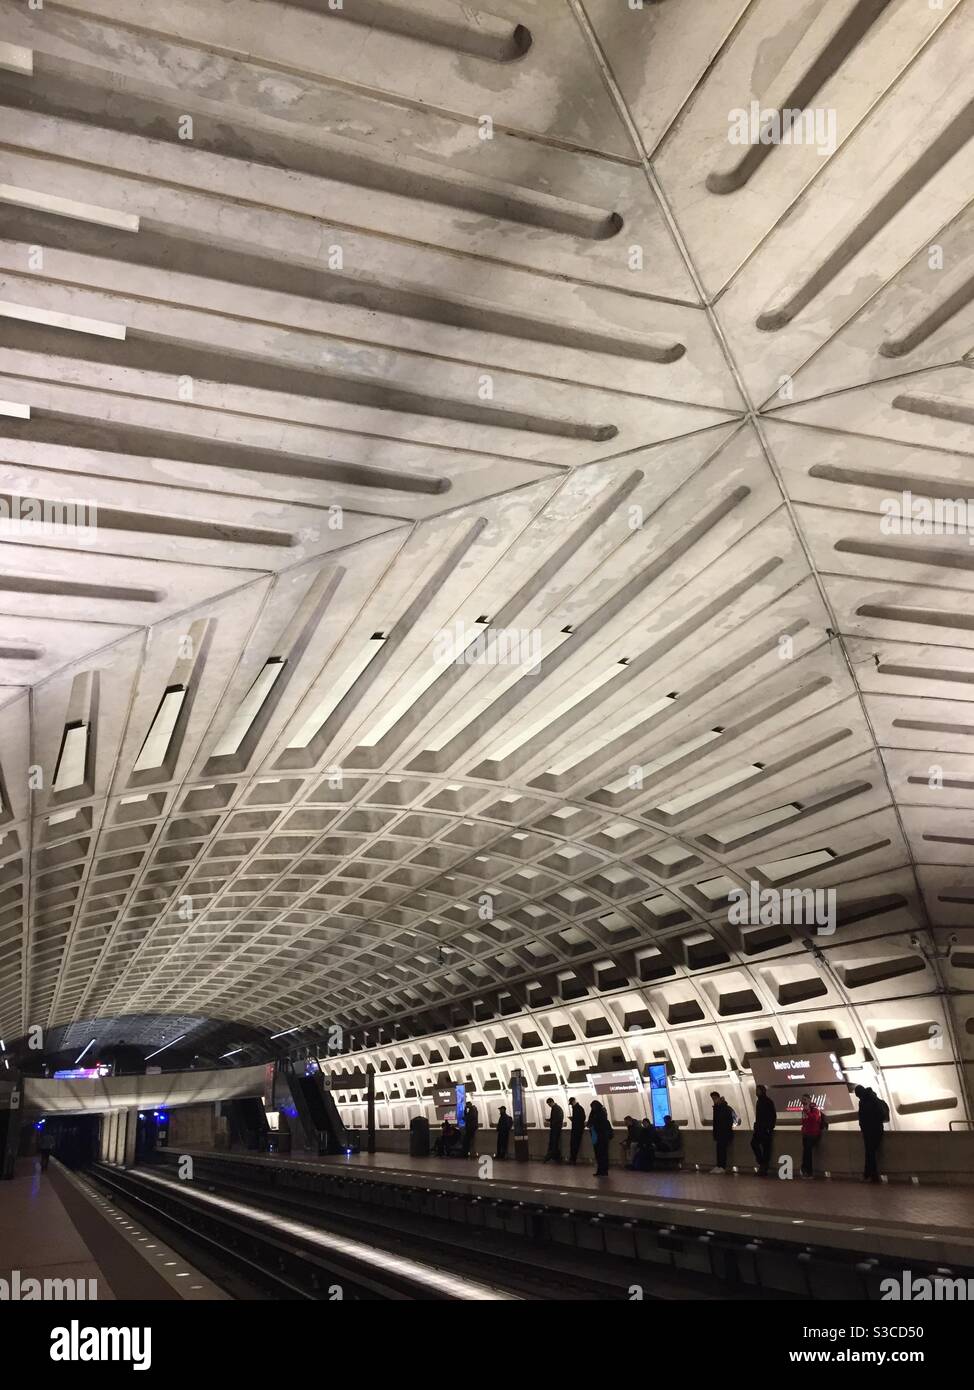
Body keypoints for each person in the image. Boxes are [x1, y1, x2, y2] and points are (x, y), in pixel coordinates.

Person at [855, 1085, 887, 1183]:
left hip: (870, 1131)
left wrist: (864, 1127)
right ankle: (870, 1175)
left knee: (870, 1153)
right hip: (877, 1129)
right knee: (870, 1153)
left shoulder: (864, 1102)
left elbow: (863, 1117)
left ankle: (871, 1176)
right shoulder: (874, 1098)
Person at [751, 1084, 777, 1176]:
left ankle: (763, 1167)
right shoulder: (759, 1102)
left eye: (758, 1090)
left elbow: (773, 1116)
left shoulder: (768, 1102)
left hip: (765, 1129)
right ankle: (762, 1164)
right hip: (759, 1128)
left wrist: (769, 1128)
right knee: (755, 1144)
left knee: (766, 1148)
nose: (756, 1092)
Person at [799, 1093, 824, 1178]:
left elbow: (815, 1119)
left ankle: (808, 1171)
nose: (803, 1102)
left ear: (809, 1100)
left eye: (805, 1100)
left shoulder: (815, 1110)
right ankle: (805, 1170)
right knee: (805, 1152)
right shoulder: (803, 1111)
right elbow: (804, 1122)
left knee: (807, 1152)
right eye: (802, 1100)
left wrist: (808, 1112)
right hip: (806, 1134)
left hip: (813, 1134)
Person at [710, 1092, 734, 1173]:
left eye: (714, 1098)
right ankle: (719, 1165)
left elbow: (727, 1121)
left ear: (718, 1098)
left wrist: (724, 1131)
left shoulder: (724, 1108)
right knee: (719, 1149)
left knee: (722, 1150)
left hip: (724, 1133)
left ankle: (722, 1166)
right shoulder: (717, 1108)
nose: (713, 1100)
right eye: (712, 1099)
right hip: (719, 1133)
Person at [589, 1100, 613, 1177]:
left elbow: (599, 1124)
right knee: (599, 1154)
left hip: (600, 1136)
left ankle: (603, 1170)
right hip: (597, 1136)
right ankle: (601, 1170)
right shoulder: (599, 1113)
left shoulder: (600, 1113)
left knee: (602, 1154)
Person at [544, 1097, 564, 1162]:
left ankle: (552, 1157)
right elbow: (555, 1118)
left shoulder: (556, 1108)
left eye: (549, 1104)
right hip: (556, 1128)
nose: (549, 1106)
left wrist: (551, 1121)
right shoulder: (556, 1108)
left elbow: (557, 1119)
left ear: (552, 1102)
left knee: (554, 1143)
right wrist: (549, 1120)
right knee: (554, 1143)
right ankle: (557, 1157)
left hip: (556, 1128)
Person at [568, 1097, 586, 1164]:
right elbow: (582, 1118)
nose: (571, 1105)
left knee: (574, 1144)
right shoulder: (578, 1108)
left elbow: (581, 1118)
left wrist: (573, 1119)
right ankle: (572, 1159)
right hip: (578, 1128)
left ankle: (573, 1159)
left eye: (571, 1103)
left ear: (573, 1102)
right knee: (574, 1144)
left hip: (577, 1129)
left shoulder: (577, 1108)